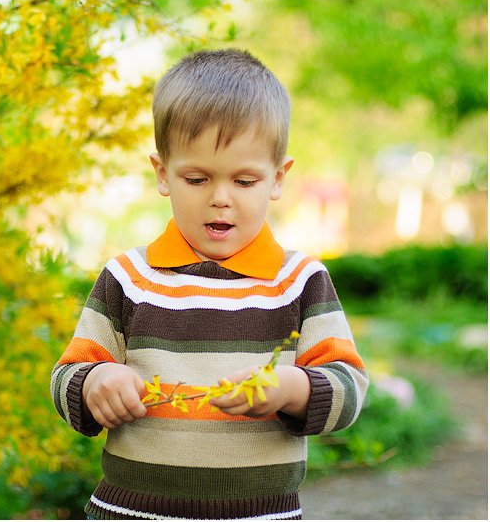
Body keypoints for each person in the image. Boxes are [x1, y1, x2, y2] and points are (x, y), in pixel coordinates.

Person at [50, 48, 368, 520]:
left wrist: (289, 388)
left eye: (244, 181)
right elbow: (66, 377)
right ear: (163, 173)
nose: (221, 199)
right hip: (131, 511)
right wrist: (96, 381)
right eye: (197, 178)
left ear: (278, 178)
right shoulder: (129, 279)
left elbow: (348, 388)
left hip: (259, 514)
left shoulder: (300, 283)